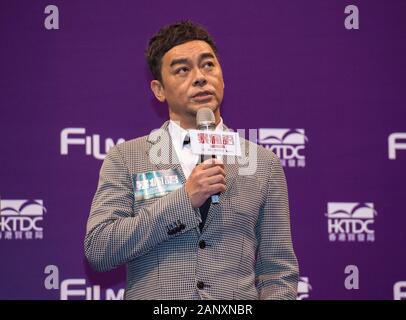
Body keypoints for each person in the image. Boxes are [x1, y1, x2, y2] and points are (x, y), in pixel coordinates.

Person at [84, 20, 299, 300]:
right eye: (183, 70)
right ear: (159, 90)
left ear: (222, 76)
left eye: (208, 65)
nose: (199, 77)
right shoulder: (127, 158)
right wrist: (184, 200)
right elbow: (100, 249)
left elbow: (277, 271)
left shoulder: (262, 163)